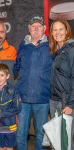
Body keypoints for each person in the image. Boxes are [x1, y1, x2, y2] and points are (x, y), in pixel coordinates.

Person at [14, 16, 53, 150]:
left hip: (42, 98)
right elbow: (16, 67)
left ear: (44, 29)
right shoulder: (23, 45)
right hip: (23, 98)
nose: (36, 28)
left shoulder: (51, 45)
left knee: (41, 134)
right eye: (33, 26)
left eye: (39, 26)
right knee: (20, 133)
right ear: (29, 29)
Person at [49, 18, 74, 150]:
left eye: (61, 29)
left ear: (67, 31)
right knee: (57, 141)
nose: (58, 32)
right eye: (55, 30)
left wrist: (71, 104)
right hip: (54, 101)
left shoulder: (71, 49)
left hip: (66, 102)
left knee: (66, 141)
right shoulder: (57, 50)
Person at [0, 63, 21, 150]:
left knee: (9, 148)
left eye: (2, 75)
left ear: (8, 76)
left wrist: (0, 114)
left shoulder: (13, 91)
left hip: (10, 126)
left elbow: (17, 108)